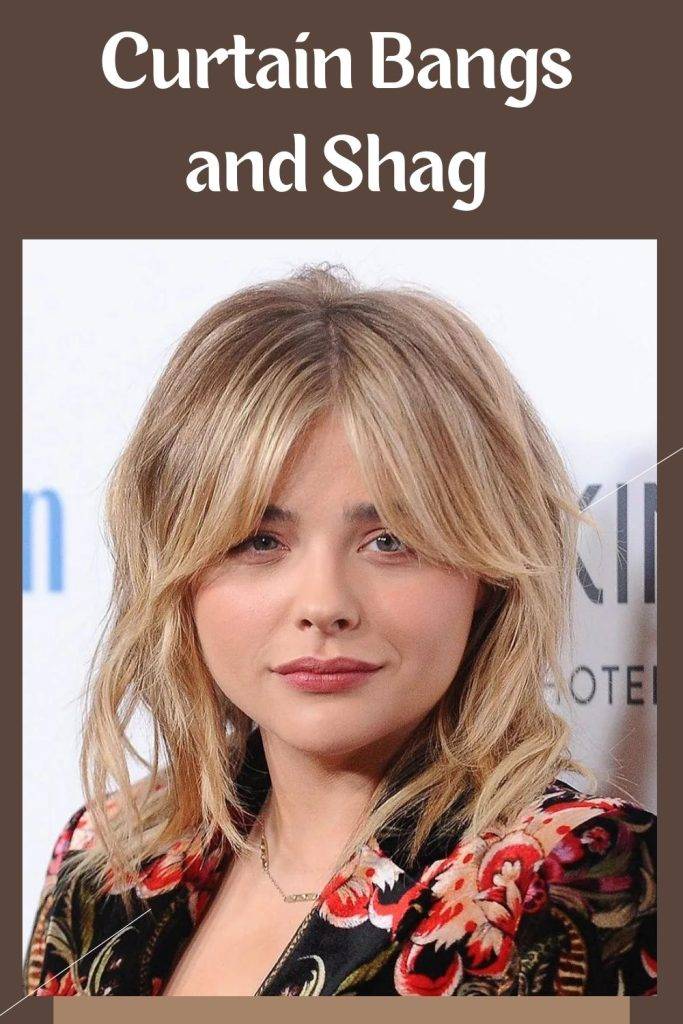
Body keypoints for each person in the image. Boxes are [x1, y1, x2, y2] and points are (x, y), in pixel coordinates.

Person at [23, 265, 656, 997]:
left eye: (390, 539)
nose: (324, 604)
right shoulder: (109, 857)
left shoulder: (566, 874)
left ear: (486, 575)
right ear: (180, 573)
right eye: (259, 540)